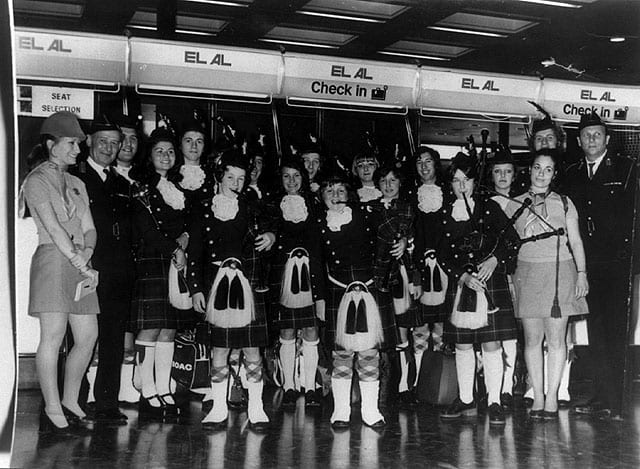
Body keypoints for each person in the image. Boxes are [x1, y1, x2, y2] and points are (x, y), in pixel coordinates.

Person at [20, 111, 99, 433]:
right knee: (52, 337)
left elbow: (89, 228)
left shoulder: (77, 182)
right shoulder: (35, 181)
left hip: (80, 261)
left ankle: (70, 400)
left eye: (78, 145)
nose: (78, 150)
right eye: (71, 143)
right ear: (51, 143)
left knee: (87, 336)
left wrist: (87, 254)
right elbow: (52, 227)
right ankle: (52, 408)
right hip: (54, 261)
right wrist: (78, 260)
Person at [188, 151, 275, 431]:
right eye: (230, 177)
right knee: (219, 351)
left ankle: (257, 407)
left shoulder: (253, 207)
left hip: (247, 283)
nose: (236, 183)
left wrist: (272, 235)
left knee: (252, 351)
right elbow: (196, 252)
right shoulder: (203, 207)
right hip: (215, 284)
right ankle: (218, 407)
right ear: (219, 177)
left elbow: (277, 223)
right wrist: (196, 288)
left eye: (241, 178)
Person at [564, 111, 637, 420]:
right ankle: (599, 396)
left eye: (597, 134)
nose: (591, 139)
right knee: (595, 330)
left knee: (616, 331)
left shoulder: (628, 168)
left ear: (608, 139)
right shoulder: (573, 173)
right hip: (588, 264)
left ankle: (616, 402)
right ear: (579, 141)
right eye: (586, 135)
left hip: (618, 265)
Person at [508, 149, 589, 419]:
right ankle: (538, 396)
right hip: (527, 273)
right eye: (537, 168)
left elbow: (576, 241)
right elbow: (507, 246)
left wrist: (582, 273)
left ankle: (553, 397)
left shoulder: (564, 202)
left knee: (556, 340)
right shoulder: (514, 203)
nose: (541, 174)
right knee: (532, 340)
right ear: (529, 170)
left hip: (559, 272)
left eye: (548, 169)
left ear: (554, 174)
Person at [438, 153, 519, 425]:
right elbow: (441, 254)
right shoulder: (445, 213)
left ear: (475, 181)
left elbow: (512, 242)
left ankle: (494, 400)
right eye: (456, 180)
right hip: (462, 285)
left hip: (489, 284)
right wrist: (461, 276)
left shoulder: (489, 207)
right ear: (450, 184)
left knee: (490, 343)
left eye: (467, 180)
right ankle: (466, 399)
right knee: (462, 344)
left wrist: (495, 261)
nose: (462, 186)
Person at [313, 174, 397, 429]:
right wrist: (319, 298)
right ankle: (341, 411)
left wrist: (405, 241)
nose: (336, 195)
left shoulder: (366, 215)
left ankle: (371, 411)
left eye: (340, 190)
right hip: (336, 293)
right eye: (330, 191)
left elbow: (391, 235)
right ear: (322, 197)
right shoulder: (317, 222)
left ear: (349, 194)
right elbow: (316, 263)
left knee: (369, 350)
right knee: (341, 352)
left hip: (369, 291)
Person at [72, 116, 134, 424]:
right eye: (103, 142)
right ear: (88, 143)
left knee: (112, 340)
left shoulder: (123, 184)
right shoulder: (75, 176)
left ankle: (107, 403)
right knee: (80, 340)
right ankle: (75, 402)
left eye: (115, 143)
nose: (109, 148)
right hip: (87, 269)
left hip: (118, 273)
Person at [130, 127, 188, 420]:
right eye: (159, 151)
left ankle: (164, 388)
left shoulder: (178, 186)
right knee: (151, 327)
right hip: (153, 260)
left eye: (170, 151)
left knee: (169, 328)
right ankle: (148, 391)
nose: (165, 156)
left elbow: (187, 222)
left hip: (176, 260)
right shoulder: (141, 185)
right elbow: (146, 229)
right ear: (149, 155)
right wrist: (174, 248)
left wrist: (186, 239)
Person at [269, 158, 323, 407]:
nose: (291, 181)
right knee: (287, 331)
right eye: (286, 176)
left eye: (296, 176)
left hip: (310, 275)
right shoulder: (271, 205)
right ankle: (289, 385)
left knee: (311, 330)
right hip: (283, 277)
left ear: (304, 178)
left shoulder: (315, 205)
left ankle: (310, 386)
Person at [369, 165, 420, 408]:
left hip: (401, 274)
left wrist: (404, 240)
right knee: (381, 332)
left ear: (400, 183)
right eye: (384, 181)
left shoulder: (408, 208)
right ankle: (383, 387)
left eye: (393, 180)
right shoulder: (369, 208)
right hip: (377, 274)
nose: (388, 185)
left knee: (402, 330)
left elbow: (408, 233)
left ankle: (404, 387)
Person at [411, 146, 448, 390]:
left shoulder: (450, 194)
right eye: (419, 162)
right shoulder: (410, 196)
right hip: (419, 267)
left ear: (436, 165)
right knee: (420, 324)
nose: (424, 166)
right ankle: (418, 378)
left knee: (443, 323)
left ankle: (442, 378)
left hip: (446, 268)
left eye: (428, 161)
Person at [487, 150, 520, 409]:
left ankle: (508, 384)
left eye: (508, 171)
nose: (503, 177)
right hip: (496, 274)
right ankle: (493, 388)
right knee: (497, 330)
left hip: (521, 271)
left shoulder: (523, 201)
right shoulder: (484, 203)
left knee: (514, 333)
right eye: (498, 171)